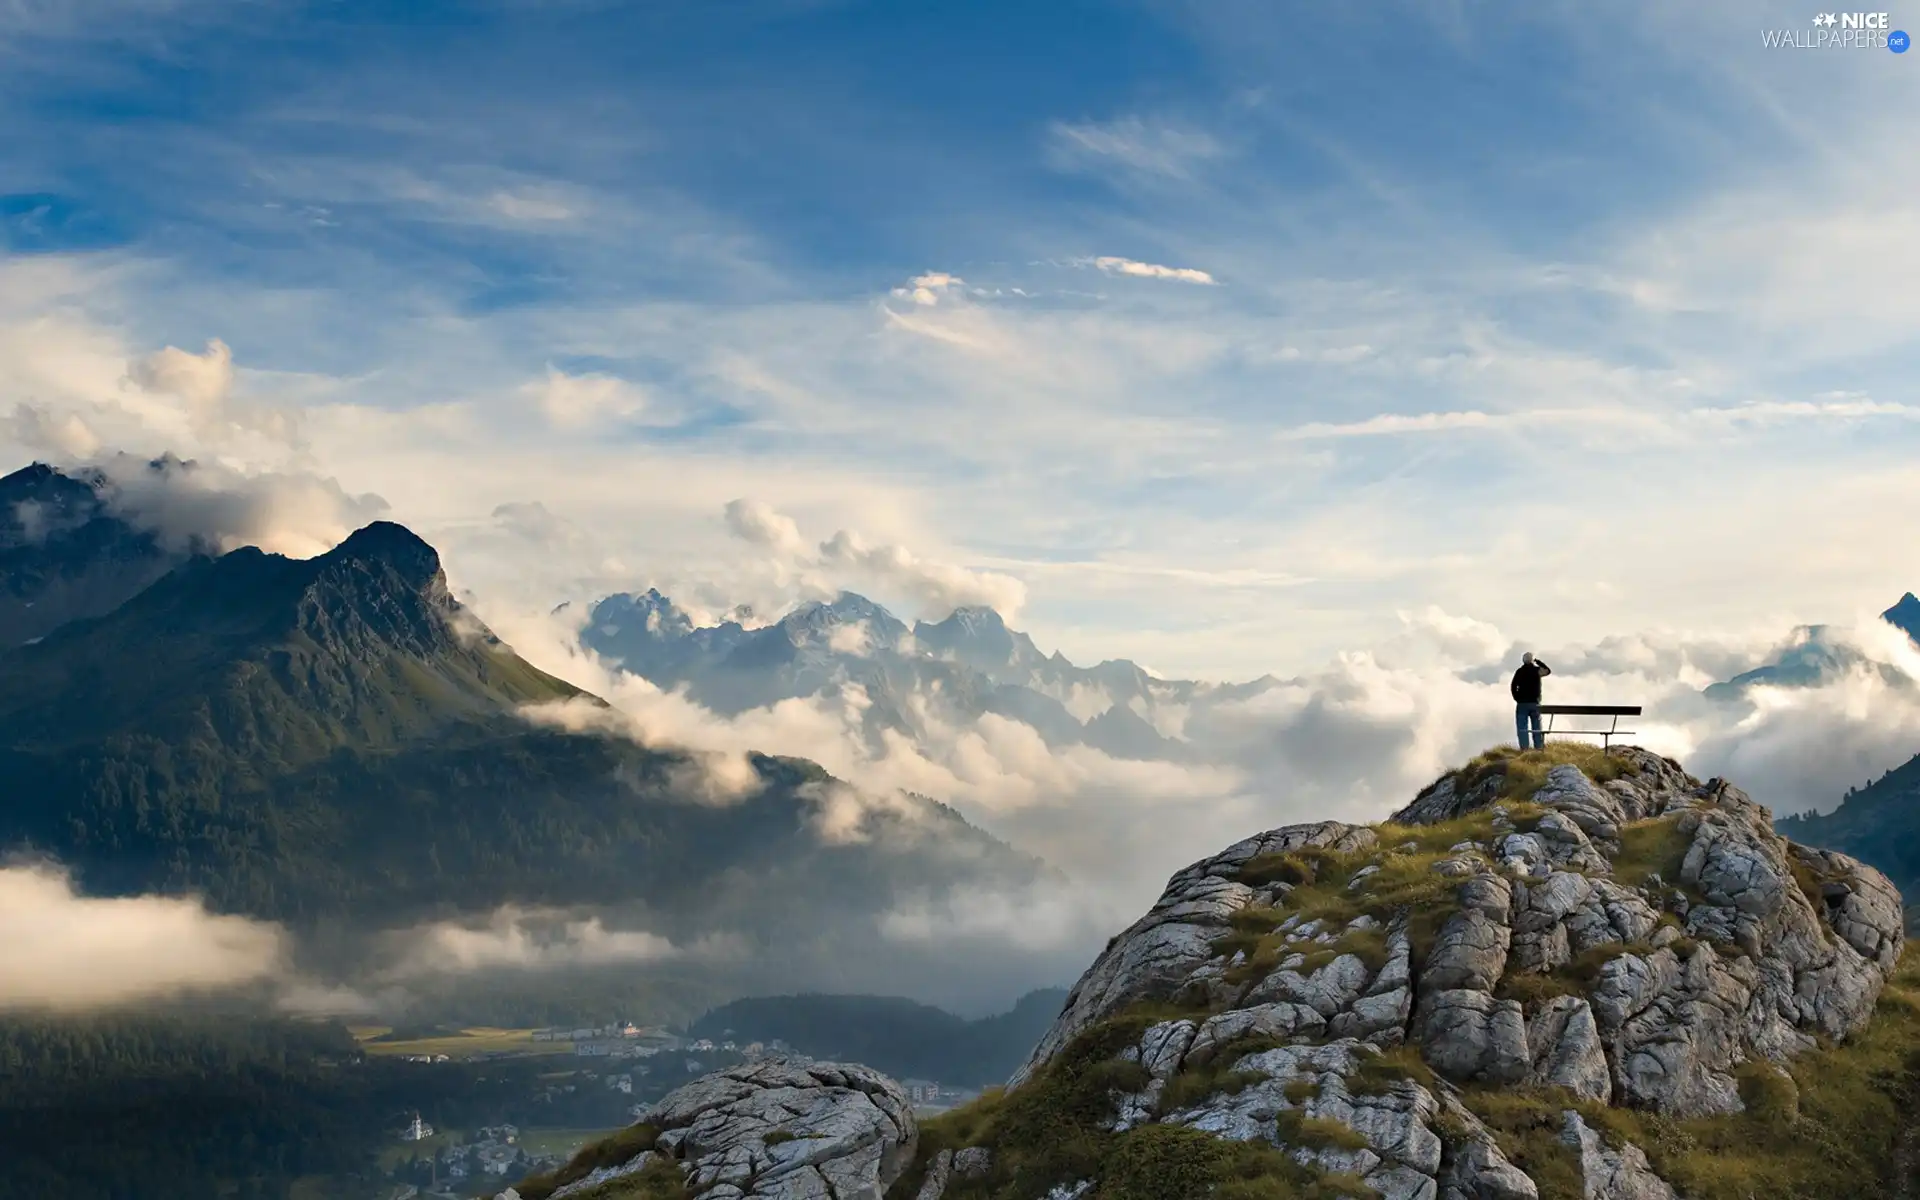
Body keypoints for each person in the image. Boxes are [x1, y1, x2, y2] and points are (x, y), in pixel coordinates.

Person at [1510, 651, 1552, 749]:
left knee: (1522, 728)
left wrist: (1516, 698)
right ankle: (1539, 747)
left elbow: (1513, 686)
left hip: (1522, 703)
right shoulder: (1537, 671)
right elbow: (1547, 671)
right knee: (1537, 727)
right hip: (1535, 703)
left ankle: (1524, 748)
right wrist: (1538, 662)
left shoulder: (1519, 671)